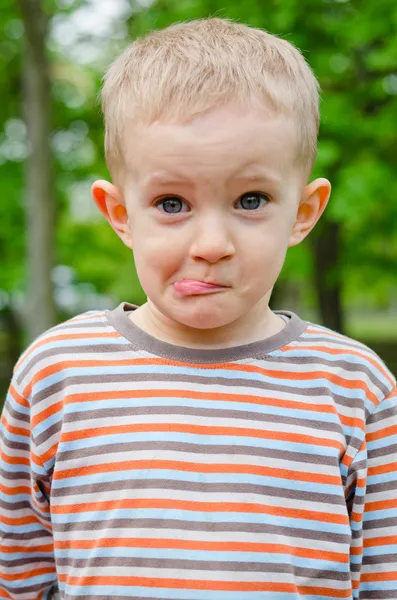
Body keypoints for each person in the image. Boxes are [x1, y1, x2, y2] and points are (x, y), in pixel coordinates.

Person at [1, 17, 396, 600]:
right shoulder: (57, 374)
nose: (211, 244)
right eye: (171, 203)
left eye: (251, 199)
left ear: (305, 212)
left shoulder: (356, 390)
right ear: (120, 214)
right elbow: (20, 577)